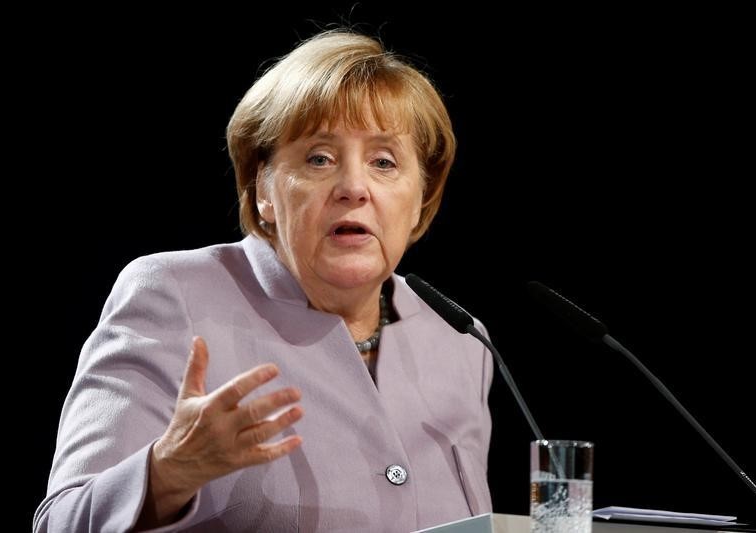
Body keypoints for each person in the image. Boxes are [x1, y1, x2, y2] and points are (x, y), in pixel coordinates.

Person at [35, 29, 493, 532]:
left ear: (420, 201)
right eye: (319, 158)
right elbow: (63, 523)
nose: (354, 188)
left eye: (384, 162)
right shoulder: (174, 295)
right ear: (263, 192)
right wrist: (170, 470)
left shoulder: (460, 340)